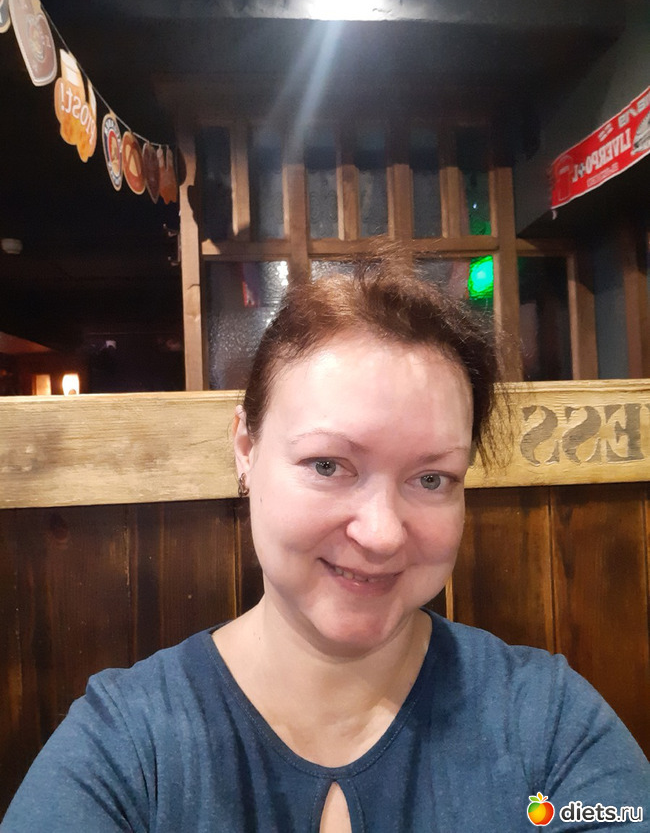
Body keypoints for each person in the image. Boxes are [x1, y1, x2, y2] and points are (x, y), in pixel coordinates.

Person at [2, 260, 649, 832]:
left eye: (431, 478)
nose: (382, 533)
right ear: (246, 448)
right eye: (328, 465)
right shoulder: (127, 750)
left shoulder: (548, 727)